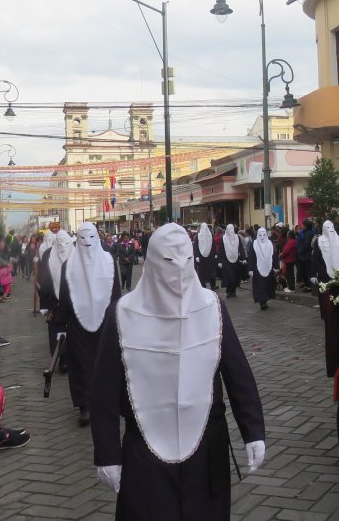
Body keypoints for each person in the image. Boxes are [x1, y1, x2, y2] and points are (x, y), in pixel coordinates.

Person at [90, 224, 265, 520]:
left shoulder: (213, 307)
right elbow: (103, 389)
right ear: (152, 262)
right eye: (170, 261)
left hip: (207, 443)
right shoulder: (122, 313)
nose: (179, 271)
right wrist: (107, 452)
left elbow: (238, 374)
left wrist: (253, 431)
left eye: (186, 261)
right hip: (144, 448)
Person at [55, 222, 121, 427]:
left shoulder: (109, 261)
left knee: (104, 362)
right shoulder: (69, 266)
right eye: (83, 239)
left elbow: (115, 292)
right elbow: (64, 297)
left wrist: (117, 318)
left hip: (105, 322)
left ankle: (105, 400)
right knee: (81, 364)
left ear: (97, 238)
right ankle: (84, 405)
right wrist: (60, 325)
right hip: (77, 323)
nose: (88, 243)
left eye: (91, 238)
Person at [38, 230, 74, 358]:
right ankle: (60, 356)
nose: (63, 247)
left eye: (66, 243)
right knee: (55, 329)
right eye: (60, 244)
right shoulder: (48, 254)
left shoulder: (77, 254)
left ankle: (70, 357)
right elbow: (44, 279)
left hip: (73, 301)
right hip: (54, 300)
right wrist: (44, 304)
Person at [311, 221, 339, 318]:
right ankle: (326, 315)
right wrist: (314, 273)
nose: (330, 230)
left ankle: (337, 315)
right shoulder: (319, 241)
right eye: (327, 228)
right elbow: (315, 258)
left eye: (331, 227)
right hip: (324, 273)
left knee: (338, 295)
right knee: (325, 297)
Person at [250, 227, 280, 311]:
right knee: (260, 285)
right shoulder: (254, 244)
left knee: (267, 285)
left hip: (268, 268)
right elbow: (251, 257)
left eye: (264, 235)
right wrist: (250, 269)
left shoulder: (270, 243)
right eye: (260, 235)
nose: (262, 237)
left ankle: (265, 300)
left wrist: (276, 266)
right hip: (257, 268)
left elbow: (273, 256)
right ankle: (262, 302)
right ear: (257, 235)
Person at [218, 224, 247, 299]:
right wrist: (219, 261)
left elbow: (241, 248)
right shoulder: (223, 238)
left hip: (235, 259)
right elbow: (220, 250)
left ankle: (233, 291)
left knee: (234, 276)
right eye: (229, 229)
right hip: (226, 260)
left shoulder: (237, 237)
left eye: (232, 229)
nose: (231, 231)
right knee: (228, 277)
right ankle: (228, 291)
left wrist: (243, 258)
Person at [193, 223, 218, 290]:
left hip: (210, 256)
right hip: (201, 257)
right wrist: (197, 256)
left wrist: (215, 254)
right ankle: (202, 285)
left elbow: (213, 245)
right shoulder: (198, 236)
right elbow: (196, 247)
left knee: (212, 272)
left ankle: (213, 286)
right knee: (202, 272)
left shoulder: (210, 236)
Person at [279, 231, 297, 295]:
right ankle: (291, 287)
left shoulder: (291, 242)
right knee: (290, 274)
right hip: (291, 259)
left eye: (287, 235)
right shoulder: (293, 241)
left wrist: (281, 255)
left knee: (290, 274)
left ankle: (291, 288)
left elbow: (286, 251)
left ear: (289, 235)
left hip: (289, 259)